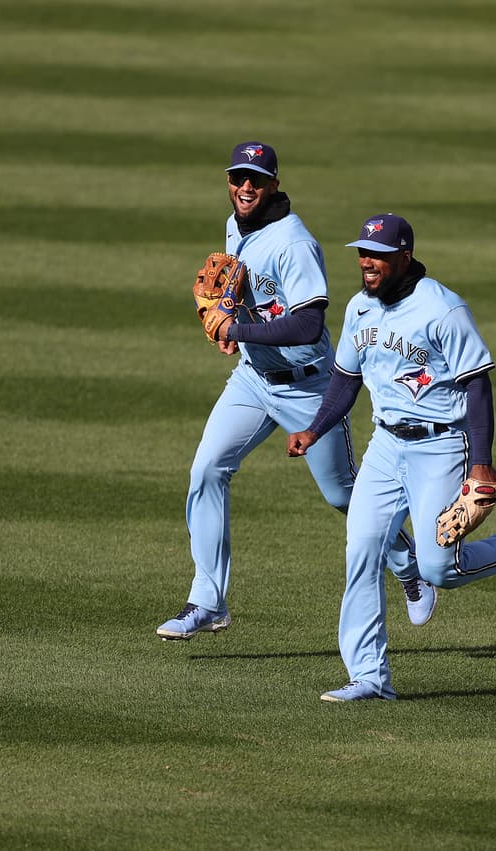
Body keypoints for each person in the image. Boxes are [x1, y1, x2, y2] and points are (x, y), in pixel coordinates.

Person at [156, 143, 434, 640]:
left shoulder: (293, 242)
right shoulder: (235, 225)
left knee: (344, 494)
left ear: (274, 185)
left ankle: (408, 566)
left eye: (256, 180)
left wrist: (235, 330)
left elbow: (307, 324)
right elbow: (250, 295)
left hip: (308, 388)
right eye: (238, 177)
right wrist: (232, 319)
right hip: (252, 378)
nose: (245, 188)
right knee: (207, 468)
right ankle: (207, 601)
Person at [287, 213, 496, 702]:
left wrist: (482, 462)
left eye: (378, 256)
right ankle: (370, 676)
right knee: (361, 551)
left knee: (438, 569)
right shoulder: (359, 308)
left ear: (404, 257)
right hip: (386, 446)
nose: (367, 263)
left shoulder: (442, 309)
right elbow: (345, 379)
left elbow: (477, 383)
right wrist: (314, 428)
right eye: (363, 254)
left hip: (442, 444)